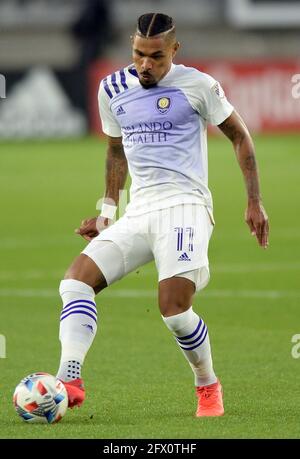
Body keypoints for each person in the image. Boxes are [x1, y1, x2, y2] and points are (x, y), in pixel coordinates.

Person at [56, 13, 269, 417]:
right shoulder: (113, 87)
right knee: (74, 283)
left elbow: (239, 135)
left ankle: (207, 384)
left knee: (174, 309)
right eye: (139, 54)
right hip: (140, 210)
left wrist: (253, 200)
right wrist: (106, 212)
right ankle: (70, 378)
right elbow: (116, 150)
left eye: (156, 56)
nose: (145, 65)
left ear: (174, 50)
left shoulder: (199, 85)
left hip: (185, 206)